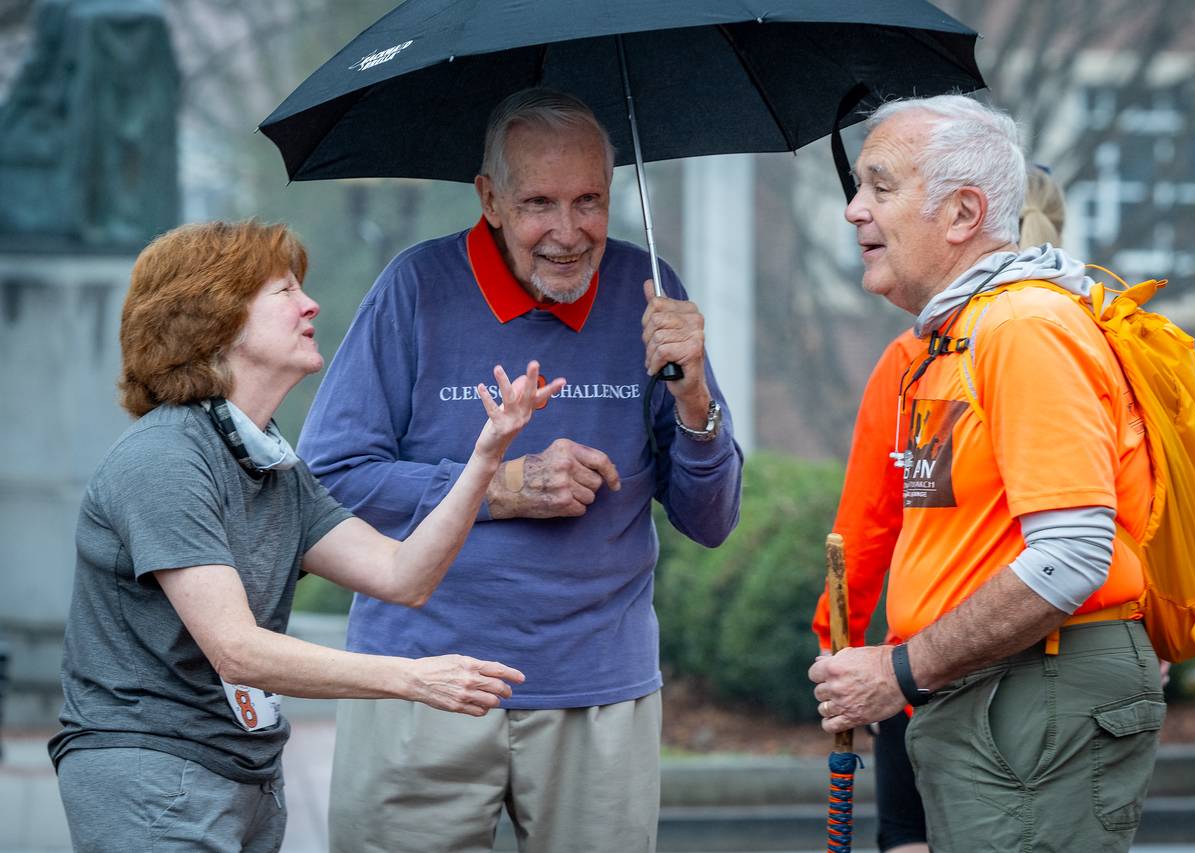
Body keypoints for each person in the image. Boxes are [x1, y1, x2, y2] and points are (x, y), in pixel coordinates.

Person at [297, 88, 743, 853]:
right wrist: (498, 488)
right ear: (490, 199)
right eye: (540, 201)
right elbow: (326, 482)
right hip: (419, 675)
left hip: (600, 690)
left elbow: (710, 520)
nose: (568, 232)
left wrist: (695, 392)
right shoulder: (415, 289)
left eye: (589, 201)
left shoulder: (654, 296)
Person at [49, 220, 557, 853]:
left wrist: (485, 459)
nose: (310, 303)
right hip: (153, 776)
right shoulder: (166, 459)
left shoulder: (272, 467)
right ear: (216, 317)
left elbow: (404, 576)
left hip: (244, 775)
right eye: (284, 290)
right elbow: (236, 650)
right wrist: (411, 678)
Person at [808, 95, 1162, 853]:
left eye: (880, 186)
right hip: (990, 692)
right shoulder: (955, 341)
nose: (853, 211)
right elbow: (898, 523)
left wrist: (897, 670)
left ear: (964, 213)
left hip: (1032, 692)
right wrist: (861, 659)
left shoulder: (1023, 328)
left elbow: (1071, 558)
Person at [810, 163, 1070, 853]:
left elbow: (868, 524)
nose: (862, 212)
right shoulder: (1090, 333)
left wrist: (839, 657)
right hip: (1060, 656)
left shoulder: (925, 355)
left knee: (910, 835)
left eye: (882, 192)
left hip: (930, 655)